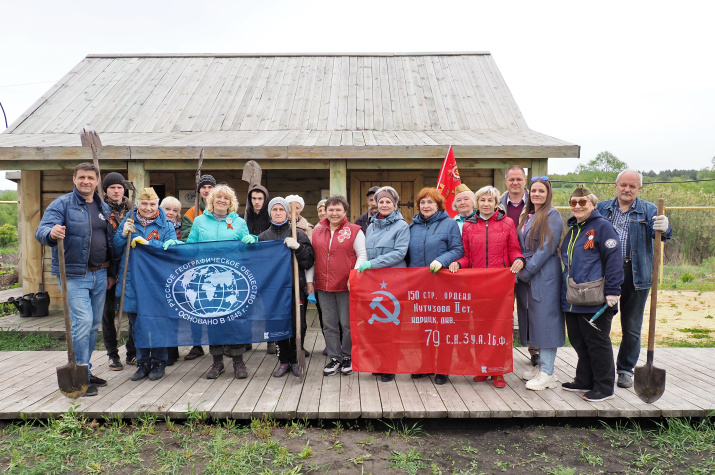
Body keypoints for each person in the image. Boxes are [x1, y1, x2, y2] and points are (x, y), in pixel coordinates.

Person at [35, 163, 116, 397]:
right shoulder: (62, 204)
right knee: (82, 323)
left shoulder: (102, 206)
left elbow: (108, 241)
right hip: (74, 275)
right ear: (74, 178)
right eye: (82, 177)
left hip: (100, 274)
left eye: (91, 177)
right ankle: (79, 375)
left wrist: (111, 273)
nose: (86, 181)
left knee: (92, 326)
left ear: (97, 181)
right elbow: (42, 230)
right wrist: (51, 233)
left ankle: (85, 370)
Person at [165, 185, 258, 379]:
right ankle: (217, 363)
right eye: (219, 197)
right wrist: (177, 245)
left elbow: (247, 249)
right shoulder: (199, 221)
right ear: (212, 200)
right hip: (206, 279)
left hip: (231, 278)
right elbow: (192, 247)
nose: (222, 200)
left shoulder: (239, 222)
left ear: (231, 202)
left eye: (226, 198)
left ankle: (238, 361)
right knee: (213, 320)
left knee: (234, 320)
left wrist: (253, 239)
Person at [596, 169, 672, 389]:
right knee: (601, 324)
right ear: (616, 185)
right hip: (606, 274)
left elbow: (663, 234)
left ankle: (625, 370)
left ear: (639, 188)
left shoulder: (649, 210)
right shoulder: (602, 208)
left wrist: (664, 227)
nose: (627, 189)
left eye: (632, 186)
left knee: (631, 327)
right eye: (623, 185)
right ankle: (602, 368)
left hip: (636, 274)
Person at [449, 186, 524, 388]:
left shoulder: (507, 223)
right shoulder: (468, 226)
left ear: (496, 202)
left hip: (500, 286)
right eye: (482, 200)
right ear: (477, 202)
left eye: (490, 200)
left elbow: (514, 250)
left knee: (500, 328)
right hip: (476, 286)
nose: (486, 204)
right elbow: (466, 256)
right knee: (480, 328)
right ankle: (483, 368)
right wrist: (457, 263)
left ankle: (499, 371)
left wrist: (519, 259)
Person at [561, 185, 624, 402]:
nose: (577, 206)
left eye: (582, 202)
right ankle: (584, 379)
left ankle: (604, 386)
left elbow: (614, 260)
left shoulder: (603, 227)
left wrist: (613, 291)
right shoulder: (573, 231)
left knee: (597, 342)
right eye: (573, 202)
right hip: (573, 298)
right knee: (579, 341)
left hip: (596, 299)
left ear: (593, 204)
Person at [115, 187, 177, 382]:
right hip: (133, 280)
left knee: (157, 323)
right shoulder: (129, 221)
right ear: (138, 204)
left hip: (156, 281)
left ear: (157, 204)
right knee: (137, 325)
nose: (148, 208)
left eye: (152, 204)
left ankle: (159, 362)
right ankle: (142, 362)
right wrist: (122, 235)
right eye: (144, 204)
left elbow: (171, 249)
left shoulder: (165, 225)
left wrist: (150, 245)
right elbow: (115, 250)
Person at [407, 187, 463, 385]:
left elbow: (458, 249)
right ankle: (426, 364)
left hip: (442, 285)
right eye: (422, 202)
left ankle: (443, 367)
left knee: (444, 328)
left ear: (438, 205)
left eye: (430, 202)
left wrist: (442, 260)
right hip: (419, 286)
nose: (426, 206)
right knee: (424, 328)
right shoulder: (412, 227)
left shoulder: (449, 225)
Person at [307, 195, 366, 376]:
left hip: (346, 286)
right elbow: (312, 259)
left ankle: (347, 356)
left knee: (347, 324)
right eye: (331, 209)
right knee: (329, 324)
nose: (334, 213)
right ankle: (335, 358)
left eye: (338, 209)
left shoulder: (355, 230)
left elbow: (362, 255)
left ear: (345, 212)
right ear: (325, 211)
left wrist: (353, 277)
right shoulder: (317, 230)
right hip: (323, 286)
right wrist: (310, 281)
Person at [515, 177, 565, 391]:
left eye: (541, 191)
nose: (536, 194)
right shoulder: (527, 216)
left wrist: (527, 270)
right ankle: (541, 367)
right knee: (532, 318)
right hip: (528, 273)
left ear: (548, 194)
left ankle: (548, 373)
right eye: (534, 190)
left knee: (546, 319)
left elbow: (548, 247)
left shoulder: (552, 215)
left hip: (544, 273)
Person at [358, 186, 410, 383]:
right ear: (376, 204)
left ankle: (390, 365)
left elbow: (399, 253)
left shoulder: (402, 226)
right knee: (377, 325)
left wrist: (373, 264)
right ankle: (379, 362)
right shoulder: (371, 225)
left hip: (393, 281)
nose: (384, 204)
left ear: (394, 204)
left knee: (391, 326)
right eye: (381, 201)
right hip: (373, 282)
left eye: (388, 201)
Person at [258, 197, 315, 378]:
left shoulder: (298, 234)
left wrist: (297, 247)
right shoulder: (263, 237)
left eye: (281, 210)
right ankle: (283, 361)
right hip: (273, 290)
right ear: (270, 213)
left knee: (299, 324)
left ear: (287, 213)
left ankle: (295, 359)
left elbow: (309, 260)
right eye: (274, 210)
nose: (278, 213)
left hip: (295, 287)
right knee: (277, 323)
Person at [498, 165, 539, 366]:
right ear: (506, 181)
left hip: (527, 264)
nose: (515, 182)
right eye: (511, 179)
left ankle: (534, 349)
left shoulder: (535, 203)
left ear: (525, 181)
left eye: (519, 179)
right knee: (502, 310)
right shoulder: (497, 204)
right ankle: (499, 349)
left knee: (529, 307)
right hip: (502, 267)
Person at [100, 172, 136, 371]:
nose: (116, 190)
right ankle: (113, 355)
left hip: (129, 267)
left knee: (132, 312)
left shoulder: (133, 209)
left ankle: (132, 352)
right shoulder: (100, 209)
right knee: (107, 314)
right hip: (106, 267)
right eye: (112, 187)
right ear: (106, 189)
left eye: (119, 187)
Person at [181, 174, 216, 361]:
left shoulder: (223, 210)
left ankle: (218, 343)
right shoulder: (191, 213)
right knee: (196, 306)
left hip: (218, 267)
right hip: (196, 267)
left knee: (216, 304)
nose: (207, 190)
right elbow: (186, 237)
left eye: (210, 187)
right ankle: (196, 344)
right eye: (204, 187)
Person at [239, 184, 275, 354]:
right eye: (254, 198)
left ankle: (270, 338)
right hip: (247, 266)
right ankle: (246, 338)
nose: (257, 202)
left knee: (268, 304)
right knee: (247, 304)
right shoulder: (242, 218)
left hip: (267, 267)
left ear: (265, 200)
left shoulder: (271, 219)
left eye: (260, 198)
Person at [286, 194, 314, 356]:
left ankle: (299, 346)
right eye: (289, 207)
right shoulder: (278, 227)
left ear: (301, 209)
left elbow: (311, 257)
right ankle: (284, 350)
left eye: (296, 207)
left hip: (300, 277)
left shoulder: (307, 229)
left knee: (300, 319)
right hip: (283, 279)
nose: (293, 211)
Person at [160, 196, 182, 366]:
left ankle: (172, 351)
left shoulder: (180, 229)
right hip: (158, 273)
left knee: (173, 313)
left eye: (175, 210)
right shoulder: (158, 226)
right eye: (168, 209)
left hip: (176, 274)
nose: (171, 213)